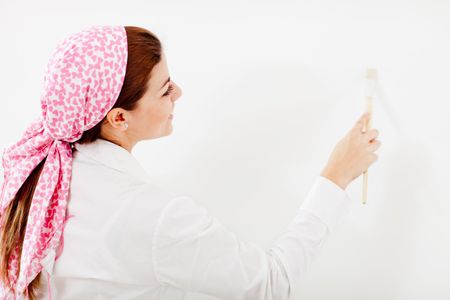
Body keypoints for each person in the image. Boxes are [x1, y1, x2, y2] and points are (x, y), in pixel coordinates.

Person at [0, 25, 380, 300]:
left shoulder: (36, 176)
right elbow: (271, 284)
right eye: (166, 89)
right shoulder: (149, 215)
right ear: (118, 118)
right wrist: (336, 176)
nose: (179, 92)